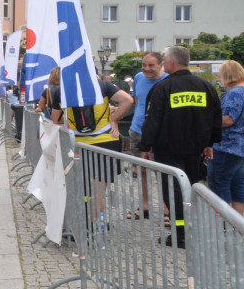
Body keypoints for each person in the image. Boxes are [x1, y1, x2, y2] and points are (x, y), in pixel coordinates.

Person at [140, 46, 222, 248]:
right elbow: (216, 119)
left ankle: (180, 233)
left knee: (173, 191)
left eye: (165, 60)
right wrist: (210, 144)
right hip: (196, 149)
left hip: (168, 148)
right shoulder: (206, 86)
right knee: (192, 188)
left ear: (171, 63)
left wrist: (145, 146)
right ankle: (190, 228)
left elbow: (152, 121)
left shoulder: (162, 88)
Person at [51, 73, 133, 222]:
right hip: (106, 141)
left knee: (81, 186)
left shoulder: (61, 90)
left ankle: (80, 224)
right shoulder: (103, 86)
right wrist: (114, 119)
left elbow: (55, 119)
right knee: (99, 189)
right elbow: (128, 100)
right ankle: (95, 224)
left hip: (77, 143)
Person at [126, 51, 167, 220]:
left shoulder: (167, 80)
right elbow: (137, 101)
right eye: (144, 65)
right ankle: (145, 206)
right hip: (138, 129)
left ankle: (167, 208)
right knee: (142, 169)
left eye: (151, 65)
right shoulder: (138, 77)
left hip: (160, 132)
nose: (146, 69)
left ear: (161, 64)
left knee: (162, 171)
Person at [210, 60, 244, 214]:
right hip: (240, 147)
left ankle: (223, 222)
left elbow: (228, 119)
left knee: (219, 183)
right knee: (238, 186)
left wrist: (206, 120)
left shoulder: (235, 93)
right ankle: (237, 224)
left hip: (227, 145)